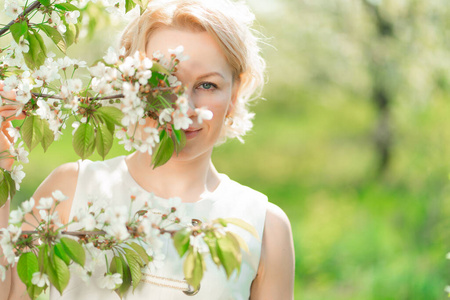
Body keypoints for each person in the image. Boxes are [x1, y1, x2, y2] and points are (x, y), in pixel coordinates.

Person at [0, 0, 295, 299]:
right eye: (162, 84)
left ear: (234, 94)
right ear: (128, 84)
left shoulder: (264, 225)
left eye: (207, 86)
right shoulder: (70, 190)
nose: (184, 108)